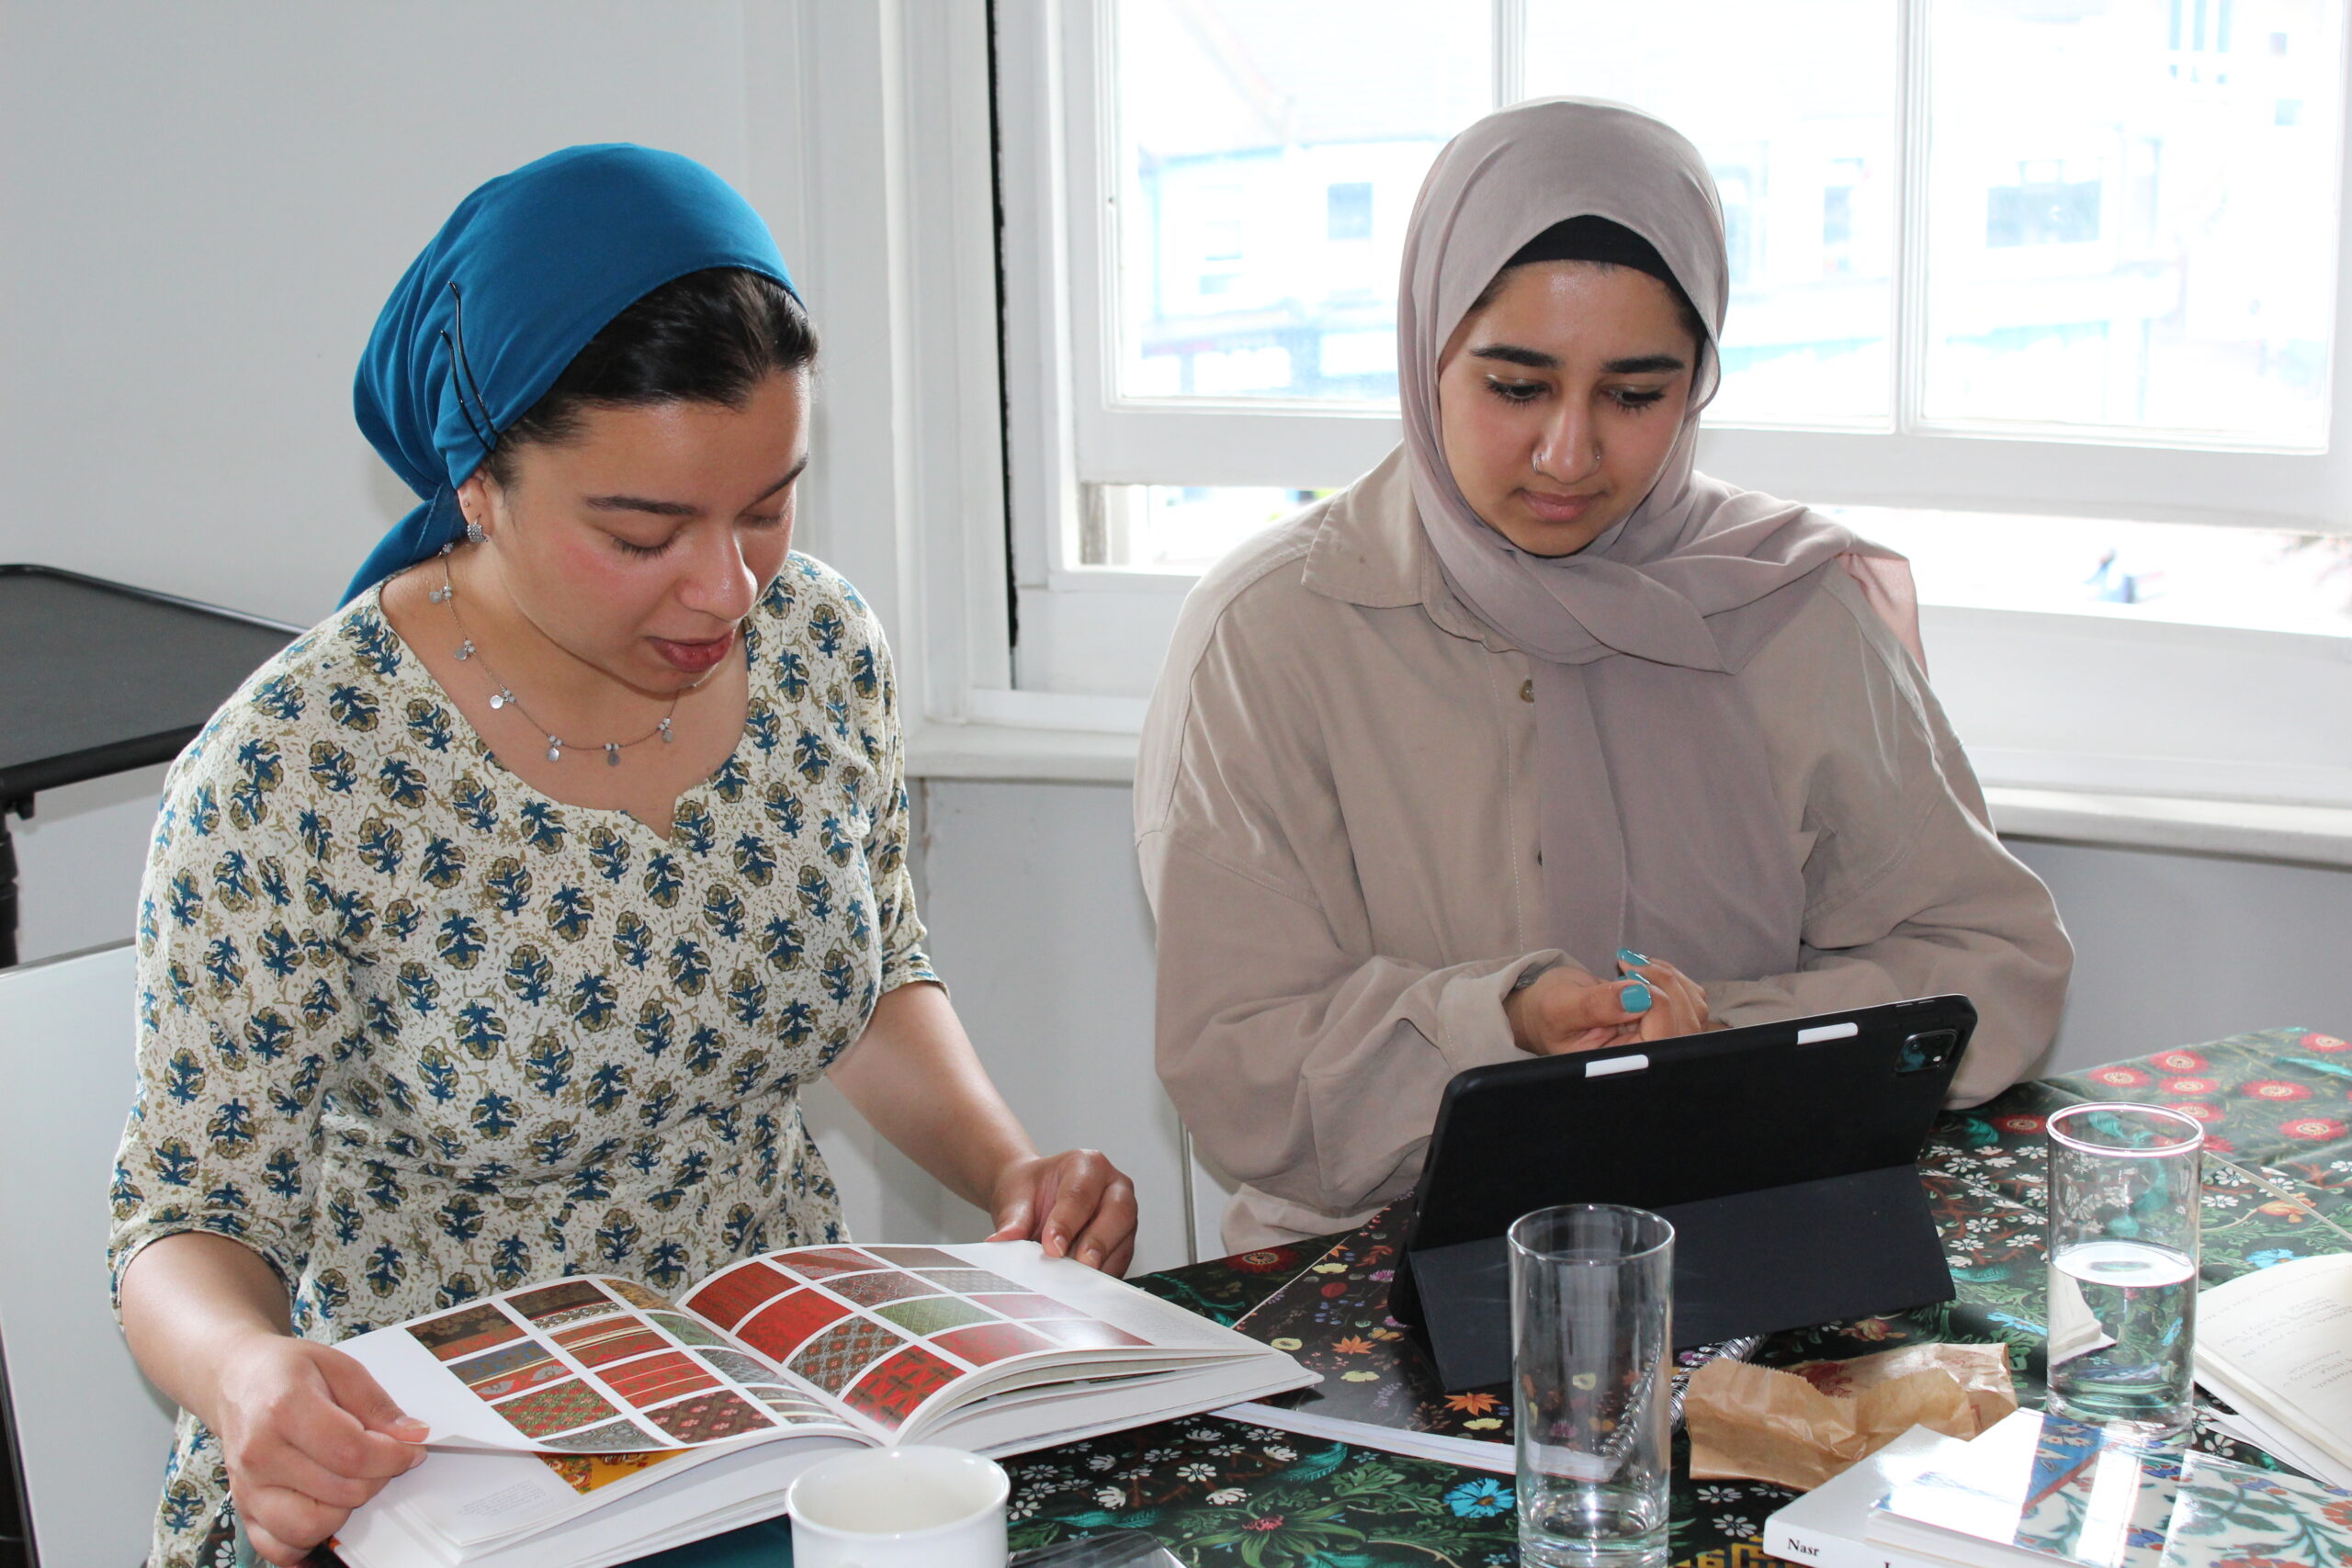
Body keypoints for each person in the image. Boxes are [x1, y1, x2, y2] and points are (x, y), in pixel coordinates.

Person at [110, 144, 1137, 1568]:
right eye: (645, 529)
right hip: (439, 1477)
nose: (729, 587)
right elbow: (190, 1214)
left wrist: (1011, 1169)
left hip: (786, 1434)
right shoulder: (298, 774)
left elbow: (859, 976)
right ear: (479, 480)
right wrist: (242, 1373)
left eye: (768, 506)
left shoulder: (819, 651)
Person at [1136, 99, 2072, 1254]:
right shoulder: (1274, 634)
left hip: (1747, 1229)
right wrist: (1505, 1028)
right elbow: (1242, 1068)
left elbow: (1991, 967)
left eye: (1635, 395)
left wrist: (1717, 1042)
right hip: (1381, 1264)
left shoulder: (1783, 606)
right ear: (1425, 350)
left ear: (1699, 386)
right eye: (1515, 387)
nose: (1568, 454)